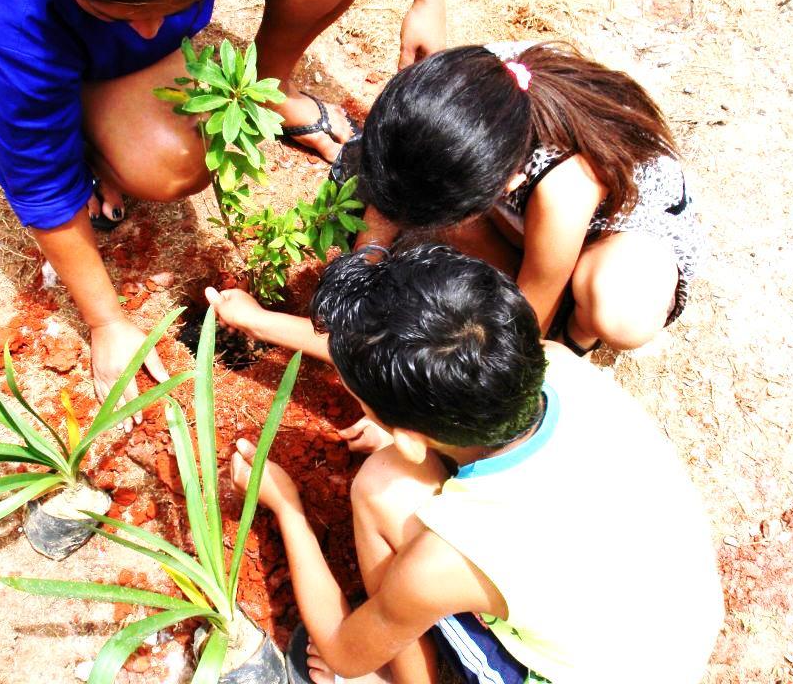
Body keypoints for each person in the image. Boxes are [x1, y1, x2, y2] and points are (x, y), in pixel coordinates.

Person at [0, 0, 446, 429]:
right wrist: (107, 322)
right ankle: (83, 108)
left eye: (175, 7)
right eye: (117, 13)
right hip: (48, 27)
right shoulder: (6, 10)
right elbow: (38, 181)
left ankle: (268, 91)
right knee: (171, 165)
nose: (150, 33)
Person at [229, 244, 723, 684]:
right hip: (673, 620)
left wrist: (286, 506)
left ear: (410, 438)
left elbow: (340, 648)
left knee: (380, 488)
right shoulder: (558, 365)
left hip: (598, 672)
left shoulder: (441, 564)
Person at [351, 41, 705, 357]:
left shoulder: (565, 188)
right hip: (536, 203)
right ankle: (539, 264)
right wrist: (363, 267)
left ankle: (577, 330)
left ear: (509, 183)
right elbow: (402, 174)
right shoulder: (465, 82)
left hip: (620, 226)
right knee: (439, 218)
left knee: (620, 315)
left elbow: (528, 318)